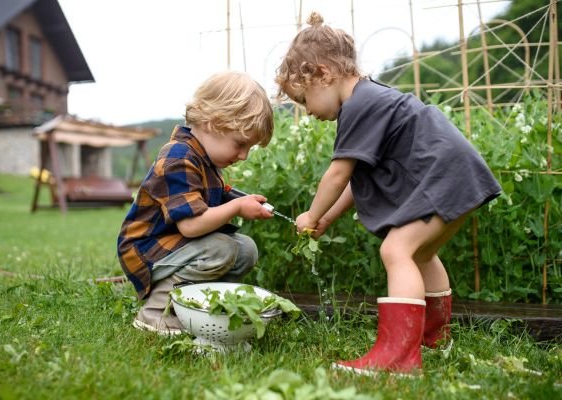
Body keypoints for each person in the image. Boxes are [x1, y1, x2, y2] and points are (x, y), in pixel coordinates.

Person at [275, 12, 501, 374]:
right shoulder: (371, 97)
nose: (307, 112)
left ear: (321, 73)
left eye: (303, 100)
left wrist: (312, 215)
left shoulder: (358, 106)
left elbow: (338, 174)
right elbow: (357, 177)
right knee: (422, 254)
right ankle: (434, 341)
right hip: (457, 174)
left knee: (396, 250)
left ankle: (398, 357)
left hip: (442, 176)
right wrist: (330, 218)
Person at [117, 71, 274, 335]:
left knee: (246, 249)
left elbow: (210, 202)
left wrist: (236, 198)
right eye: (240, 144)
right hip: (148, 250)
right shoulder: (179, 157)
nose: (244, 156)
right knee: (220, 249)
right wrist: (236, 207)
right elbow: (191, 226)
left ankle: (200, 307)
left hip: (176, 249)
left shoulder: (206, 159)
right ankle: (155, 313)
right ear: (214, 122)